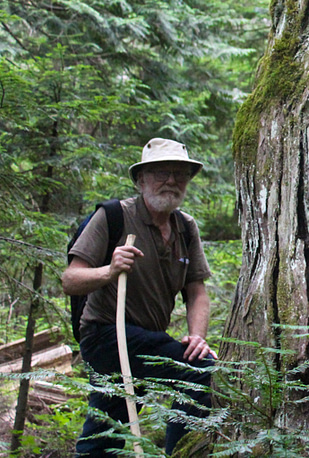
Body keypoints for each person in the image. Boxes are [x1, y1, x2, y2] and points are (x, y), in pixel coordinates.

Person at [62, 138, 216, 456]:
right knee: (199, 370)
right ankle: (181, 453)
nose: (171, 180)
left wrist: (197, 337)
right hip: (107, 335)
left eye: (179, 174)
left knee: (107, 430)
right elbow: (71, 280)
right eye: (161, 173)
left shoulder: (186, 228)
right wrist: (109, 270)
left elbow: (196, 291)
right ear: (141, 180)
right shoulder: (113, 216)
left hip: (145, 339)